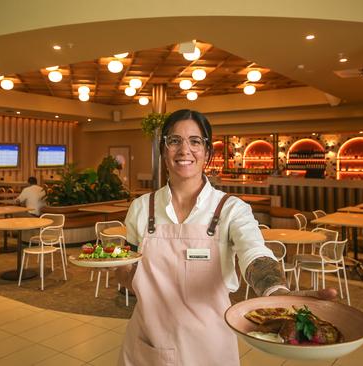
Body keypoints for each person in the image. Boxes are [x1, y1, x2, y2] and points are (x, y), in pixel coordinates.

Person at [117, 109, 335, 366]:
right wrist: (120, 267)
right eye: (174, 141)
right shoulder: (142, 208)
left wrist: (276, 292)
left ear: (208, 153)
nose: (184, 150)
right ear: (164, 151)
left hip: (209, 347)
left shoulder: (232, 209)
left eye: (195, 141)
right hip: (147, 343)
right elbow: (125, 272)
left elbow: (255, 253)